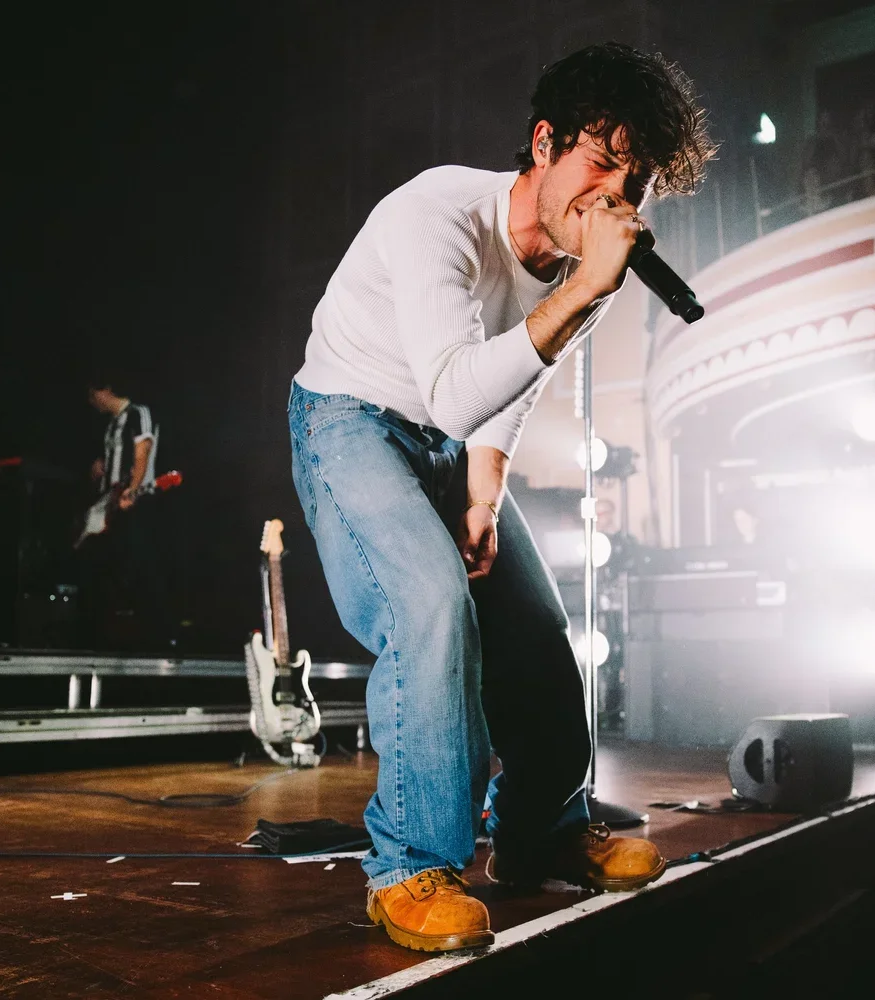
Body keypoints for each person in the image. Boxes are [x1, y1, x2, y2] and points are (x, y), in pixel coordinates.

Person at [288, 42, 713, 952]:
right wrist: (588, 288)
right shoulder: (435, 214)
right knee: (430, 601)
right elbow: (450, 386)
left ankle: (540, 833)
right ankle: (409, 866)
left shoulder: (581, 264)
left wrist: (486, 487)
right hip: (351, 416)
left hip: (452, 441)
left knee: (535, 622)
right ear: (544, 142)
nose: (615, 197)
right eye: (601, 162)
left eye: (636, 180)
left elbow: (518, 379)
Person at [82, 377, 166, 650]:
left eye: (92, 395)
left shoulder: (137, 413)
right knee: (109, 567)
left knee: (138, 566)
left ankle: (152, 636)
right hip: (110, 503)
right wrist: (100, 467)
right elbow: (120, 459)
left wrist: (131, 490)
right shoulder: (112, 424)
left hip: (134, 502)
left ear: (104, 390)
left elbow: (143, 452)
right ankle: (106, 633)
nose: (92, 402)